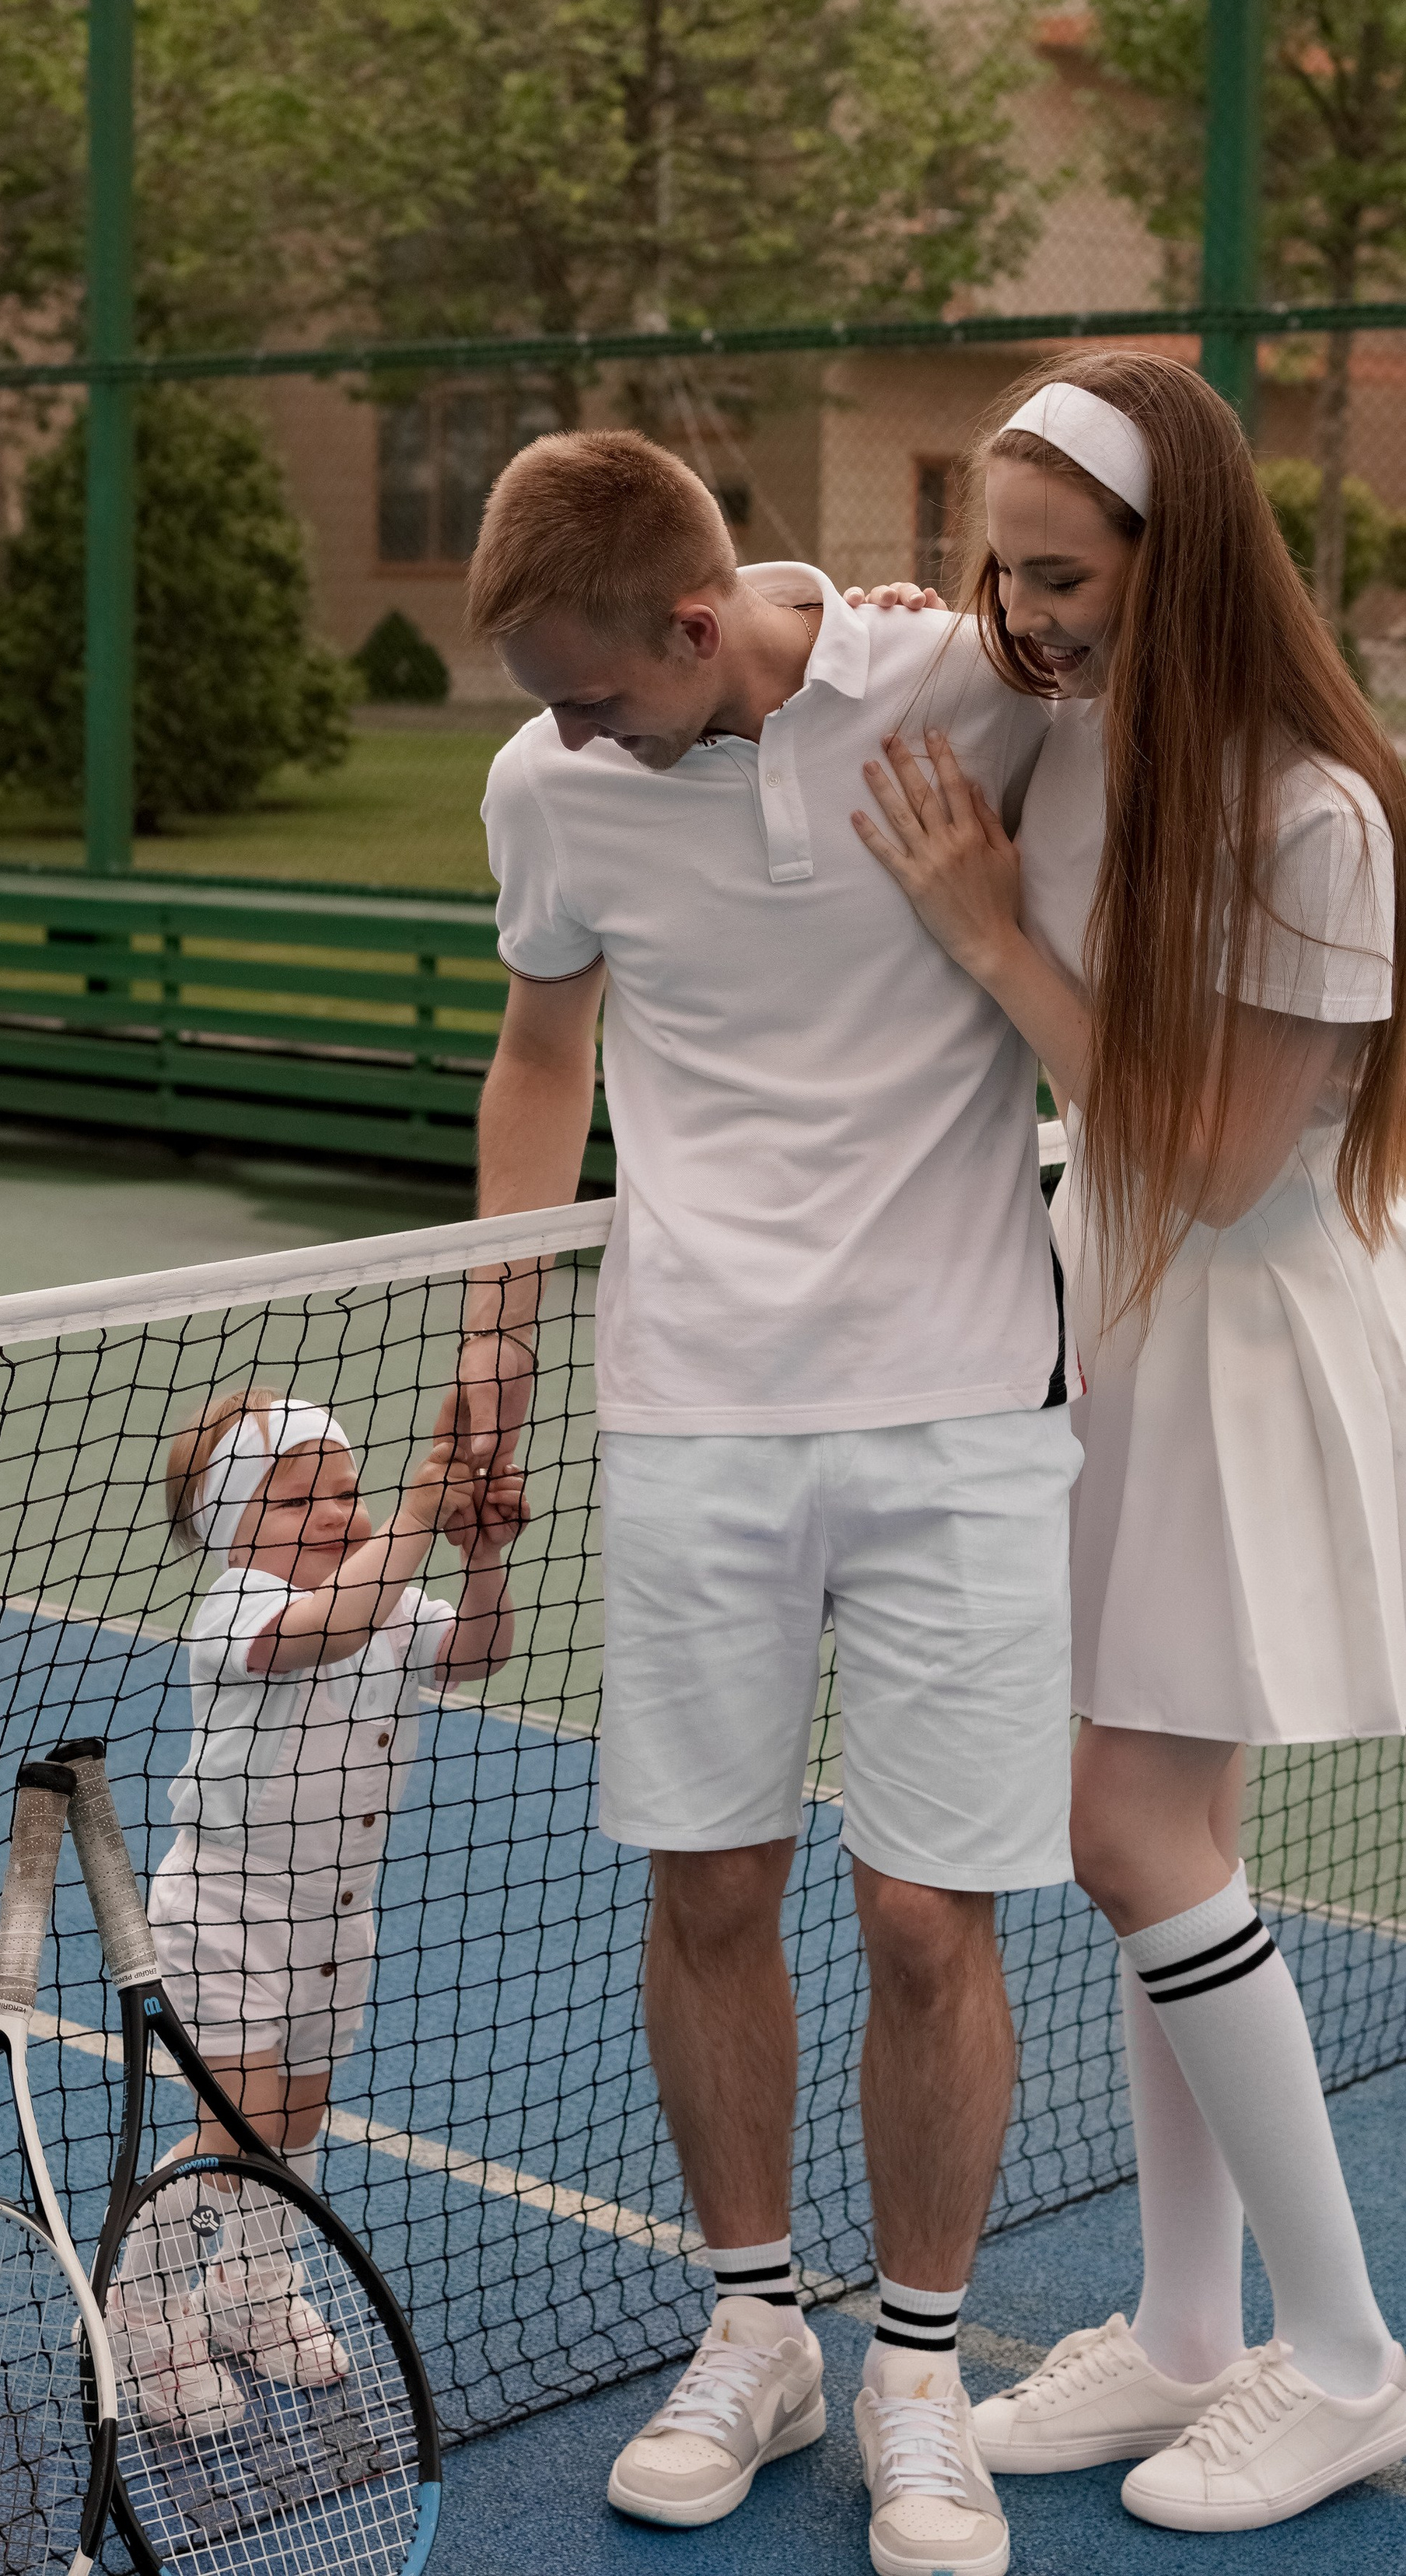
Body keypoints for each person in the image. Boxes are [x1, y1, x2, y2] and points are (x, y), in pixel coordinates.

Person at [455, 428, 1081, 2576]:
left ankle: (917, 2368)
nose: (560, 727)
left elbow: (1133, 614)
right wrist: (494, 1340)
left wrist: (939, 621)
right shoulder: (550, 792)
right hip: (693, 1412)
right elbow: (544, 1054)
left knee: (929, 1918)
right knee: (710, 1890)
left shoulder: (960, 690)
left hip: (965, 1409)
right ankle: (754, 2329)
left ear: (699, 622)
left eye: (589, 685)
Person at [849, 354, 1406, 2532]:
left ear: (1182, 559)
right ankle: (1192, 2331)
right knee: (1173, 1845)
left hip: (1246, 1342)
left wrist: (983, 933)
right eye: (1005, 572)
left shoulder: (1317, 817)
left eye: (1064, 576)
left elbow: (1216, 1166)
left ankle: (1350, 2355)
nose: (1029, 615)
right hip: (1116, 1334)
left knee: (1126, 1835)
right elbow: (831, 627)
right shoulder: (1080, 732)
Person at [110, 1382, 524, 2434]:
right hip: (226, 1901)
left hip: (337, 1913)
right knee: (237, 2125)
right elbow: (328, 1631)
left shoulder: (381, 1598)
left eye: (349, 1491)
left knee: (294, 2120)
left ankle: (249, 2292)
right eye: (302, 1502)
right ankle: (141, 2314)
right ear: (232, 1524)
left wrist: (481, 1556)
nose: (339, 1513)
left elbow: (479, 1652)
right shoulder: (239, 1610)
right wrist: (420, 1519)